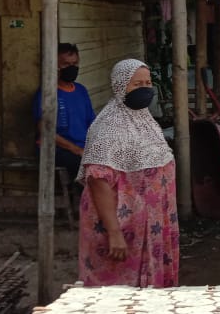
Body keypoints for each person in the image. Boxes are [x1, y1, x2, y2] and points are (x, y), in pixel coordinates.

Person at [76, 59, 178, 287]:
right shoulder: (108, 126)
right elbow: (98, 180)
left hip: (152, 227)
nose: (145, 89)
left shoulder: (145, 121)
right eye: (136, 84)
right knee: (118, 297)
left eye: (148, 83)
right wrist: (114, 232)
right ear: (120, 86)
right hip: (122, 229)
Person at [33, 43, 95, 183]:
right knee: (89, 170)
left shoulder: (81, 90)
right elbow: (45, 131)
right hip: (56, 149)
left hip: (82, 147)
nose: (71, 68)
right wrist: (77, 150)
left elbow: (93, 123)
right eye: (66, 64)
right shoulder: (47, 93)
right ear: (55, 66)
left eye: (74, 63)